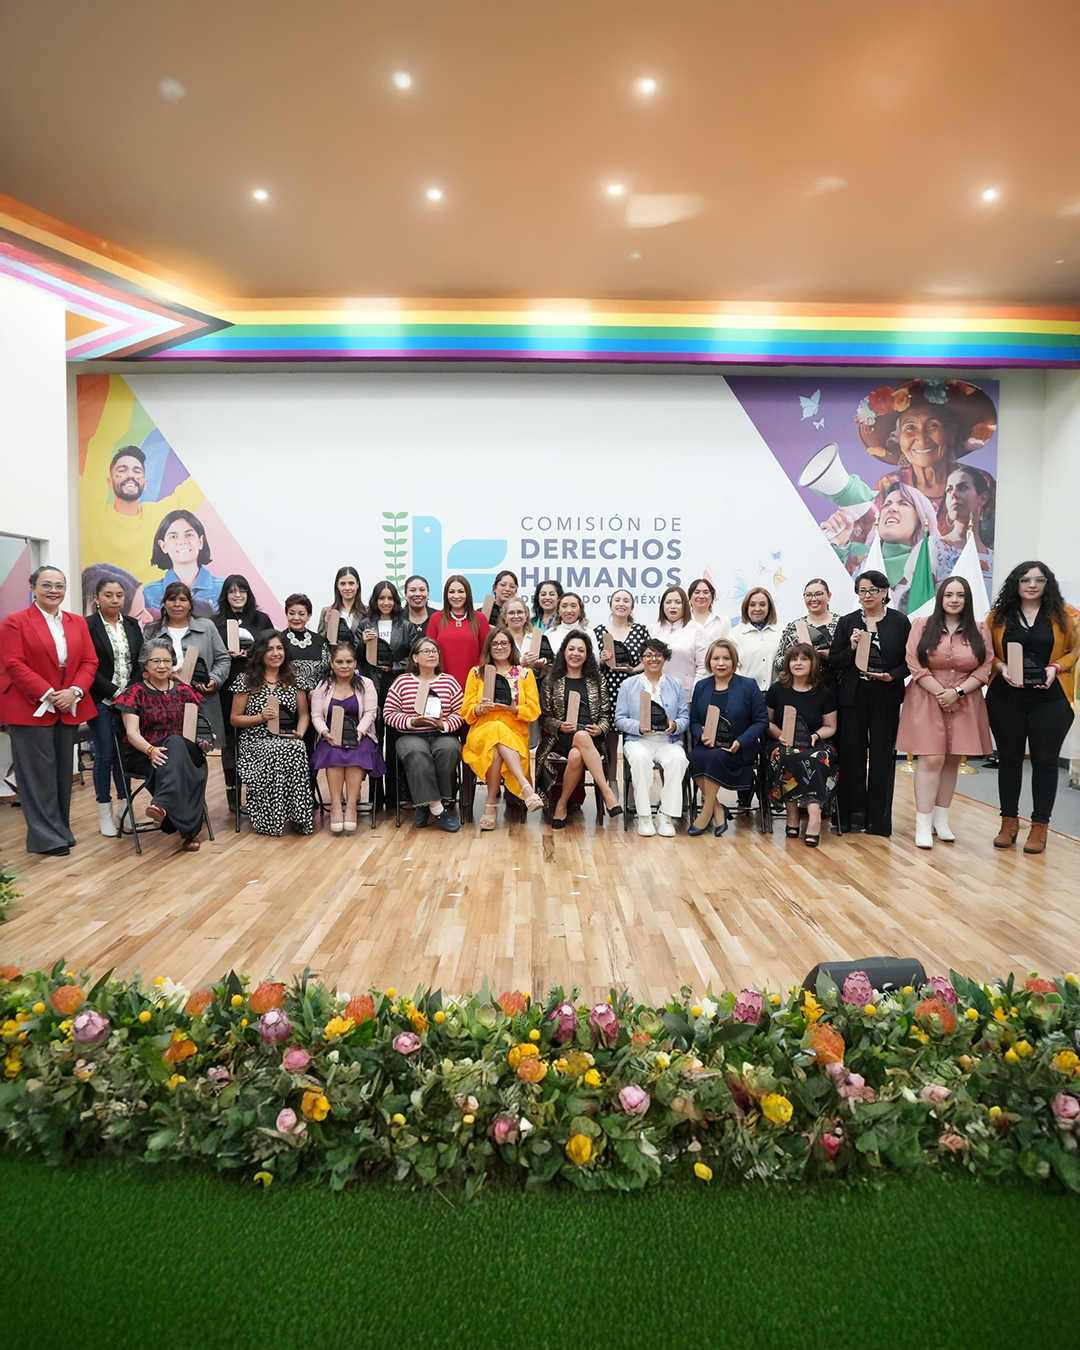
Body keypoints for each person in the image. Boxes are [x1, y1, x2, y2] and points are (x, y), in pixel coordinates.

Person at [0, 566, 98, 856]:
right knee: (37, 775)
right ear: (32, 587)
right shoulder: (15, 622)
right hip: (29, 705)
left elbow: (89, 661)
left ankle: (60, 831)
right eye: (46, 585)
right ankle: (46, 838)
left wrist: (74, 691)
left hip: (68, 704)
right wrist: (48, 693)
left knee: (61, 773)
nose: (53, 591)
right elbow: (13, 663)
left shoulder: (76, 622)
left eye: (59, 585)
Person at [985, 561, 1080, 854]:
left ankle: (1040, 826)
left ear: (1047, 584)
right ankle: (1008, 822)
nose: (1032, 585)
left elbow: (1075, 651)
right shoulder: (997, 617)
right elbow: (986, 652)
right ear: (1016, 583)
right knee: (1009, 759)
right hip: (1005, 698)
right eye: (1025, 579)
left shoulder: (1067, 615)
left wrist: (1055, 667)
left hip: (1051, 699)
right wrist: (1001, 667)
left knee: (1045, 761)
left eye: (1039, 580)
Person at [897, 577, 993, 848]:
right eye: (949, 594)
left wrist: (957, 693)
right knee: (931, 759)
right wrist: (943, 694)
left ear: (967, 599)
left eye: (960, 595)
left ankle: (941, 820)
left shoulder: (980, 629)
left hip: (965, 699)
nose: (954, 600)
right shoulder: (921, 625)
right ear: (940, 598)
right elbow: (914, 664)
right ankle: (923, 823)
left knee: (952, 760)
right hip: (927, 697)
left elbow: (985, 667)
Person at [828, 570, 911, 835]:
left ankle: (878, 820)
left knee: (882, 756)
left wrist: (892, 676)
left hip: (885, 695)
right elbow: (835, 660)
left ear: (885, 592)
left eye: (873, 590)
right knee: (851, 756)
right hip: (853, 696)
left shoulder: (899, 621)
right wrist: (851, 648)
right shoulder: (848, 622)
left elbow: (910, 661)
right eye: (863, 590)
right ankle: (851, 817)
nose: (868, 595)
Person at [114, 640, 213, 852]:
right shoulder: (134, 693)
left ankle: (162, 804)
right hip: (146, 754)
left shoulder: (185, 691)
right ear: (145, 664)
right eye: (156, 661)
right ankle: (189, 833)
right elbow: (132, 733)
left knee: (176, 743)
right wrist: (150, 750)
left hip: (185, 751)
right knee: (182, 764)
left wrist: (204, 739)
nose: (162, 665)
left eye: (167, 661)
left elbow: (197, 727)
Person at [80, 442, 205, 598]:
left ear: (144, 483)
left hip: (152, 609)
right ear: (110, 482)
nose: (130, 475)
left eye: (137, 471)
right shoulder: (92, 512)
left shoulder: (158, 515)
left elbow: (196, 485)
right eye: (122, 470)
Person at [230, 631, 314, 837]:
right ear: (260, 653)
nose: (276, 653)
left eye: (279, 648)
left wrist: (300, 733)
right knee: (275, 750)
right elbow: (235, 719)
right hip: (255, 740)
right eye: (270, 649)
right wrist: (260, 717)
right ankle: (270, 819)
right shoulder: (246, 680)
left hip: (286, 737)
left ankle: (299, 817)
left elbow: (304, 715)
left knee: (297, 747)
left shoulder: (294, 679)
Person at [535, 631, 621, 825]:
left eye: (581, 650)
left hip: (591, 737)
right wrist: (559, 725)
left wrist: (600, 729)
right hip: (560, 738)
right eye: (571, 649)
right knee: (580, 737)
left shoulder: (597, 680)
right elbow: (544, 717)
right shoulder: (551, 680)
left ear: (587, 654)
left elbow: (606, 715)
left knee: (576, 754)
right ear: (564, 652)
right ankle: (607, 792)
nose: (576, 653)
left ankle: (561, 804)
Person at [461, 628, 542, 828]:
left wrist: (513, 709)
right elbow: (466, 711)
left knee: (497, 745)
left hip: (515, 732)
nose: (499, 647)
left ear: (511, 646)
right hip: (482, 730)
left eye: (504, 643)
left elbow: (534, 710)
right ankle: (526, 787)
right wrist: (479, 709)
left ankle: (490, 805)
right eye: (495, 643)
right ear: (488, 647)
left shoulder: (525, 674)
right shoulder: (477, 673)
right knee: (495, 729)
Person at [688, 638, 769, 838]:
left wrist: (740, 742)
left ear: (734, 660)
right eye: (716, 658)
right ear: (709, 661)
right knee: (694, 757)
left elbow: (761, 722)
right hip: (709, 744)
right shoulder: (702, 686)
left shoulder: (748, 685)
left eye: (726, 658)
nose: (721, 663)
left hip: (739, 747)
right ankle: (717, 809)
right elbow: (694, 721)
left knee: (714, 758)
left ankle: (706, 812)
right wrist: (702, 735)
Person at [383, 636, 464, 832]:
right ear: (415, 658)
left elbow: (461, 713)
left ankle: (424, 804)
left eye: (434, 651)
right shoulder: (402, 682)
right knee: (416, 752)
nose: (431, 655)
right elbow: (388, 713)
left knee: (449, 749)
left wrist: (443, 724)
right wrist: (411, 721)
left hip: (442, 734)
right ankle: (438, 809)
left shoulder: (449, 681)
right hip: (411, 735)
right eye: (426, 651)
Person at [614, 637, 690, 838]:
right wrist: (638, 727)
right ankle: (644, 816)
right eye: (648, 655)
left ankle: (665, 815)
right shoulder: (629, 684)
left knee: (679, 759)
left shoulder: (676, 685)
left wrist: (675, 725)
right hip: (638, 740)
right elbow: (619, 719)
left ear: (665, 658)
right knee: (640, 759)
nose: (653, 659)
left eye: (658, 655)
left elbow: (685, 717)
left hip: (668, 741)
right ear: (641, 659)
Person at [86, 573, 143, 835]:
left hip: (128, 702)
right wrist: (115, 692)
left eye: (119, 595)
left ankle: (125, 808)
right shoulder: (88, 626)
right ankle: (104, 812)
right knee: (105, 755)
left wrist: (128, 693)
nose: (115, 600)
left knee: (124, 755)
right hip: (101, 700)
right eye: (108, 595)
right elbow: (88, 666)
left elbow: (139, 662)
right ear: (97, 598)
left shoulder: (131, 624)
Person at [765, 644, 838, 847]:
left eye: (804, 659)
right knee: (788, 756)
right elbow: (767, 722)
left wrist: (815, 736)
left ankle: (814, 815)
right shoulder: (777, 690)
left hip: (816, 742)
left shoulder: (824, 693)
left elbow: (830, 726)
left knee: (814, 758)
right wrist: (780, 735)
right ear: (787, 663)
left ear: (813, 663)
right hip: (782, 741)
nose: (798, 663)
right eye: (794, 659)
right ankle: (792, 813)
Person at [213, 575, 275, 811]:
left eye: (242, 591)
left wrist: (254, 654)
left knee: (257, 737)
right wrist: (224, 654)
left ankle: (256, 794)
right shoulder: (215, 622)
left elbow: (273, 649)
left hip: (257, 687)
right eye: (232, 591)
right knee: (230, 742)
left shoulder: (261, 619)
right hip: (227, 687)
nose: (237, 595)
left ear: (249, 594)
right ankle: (233, 795)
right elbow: (210, 654)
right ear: (225, 595)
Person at [310, 644, 386, 834]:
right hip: (330, 736)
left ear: (355, 663)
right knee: (334, 754)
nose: (344, 666)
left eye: (349, 661)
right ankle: (336, 807)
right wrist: (325, 733)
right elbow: (316, 716)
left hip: (361, 736)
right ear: (331, 663)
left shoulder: (366, 684)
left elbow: (370, 713)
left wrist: (358, 733)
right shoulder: (323, 686)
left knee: (357, 753)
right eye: (339, 662)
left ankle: (351, 806)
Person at [143, 582, 230, 712]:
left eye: (183, 600)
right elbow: (144, 664)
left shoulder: (207, 627)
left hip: (203, 700)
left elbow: (223, 659)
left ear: (190, 605)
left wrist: (214, 679)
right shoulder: (152, 631)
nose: (177, 604)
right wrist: (169, 675)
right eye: (171, 599)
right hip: (162, 702)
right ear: (164, 604)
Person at [594, 588, 649, 785]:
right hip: (607, 690)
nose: (621, 604)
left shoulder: (641, 630)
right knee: (609, 741)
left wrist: (634, 670)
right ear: (610, 605)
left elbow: (648, 660)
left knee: (633, 739)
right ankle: (612, 784)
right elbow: (591, 664)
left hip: (634, 689)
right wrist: (601, 660)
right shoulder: (599, 631)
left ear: (632, 607)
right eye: (617, 600)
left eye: (626, 601)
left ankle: (631, 786)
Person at [140, 509, 224, 617]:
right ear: (163, 546)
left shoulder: (224, 588)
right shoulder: (150, 593)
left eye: (189, 535)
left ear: (200, 541)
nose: (182, 541)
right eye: (173, 537)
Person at [935, 466, 995, 594]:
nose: (953, 495)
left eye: (962, 488)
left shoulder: (994, 559)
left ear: (983, 498)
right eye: (949, 490)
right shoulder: (935, 548)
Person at [427, 575, 490, 691]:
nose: (456, 596)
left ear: (467, 594)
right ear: (446, 595)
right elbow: (428, 653)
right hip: (442, 685)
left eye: (461, 591)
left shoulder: (480, 619)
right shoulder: (435, 618)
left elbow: (486, 654)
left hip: (474, 684)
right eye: (452, 592)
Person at [773, 579, 839, 685]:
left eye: (819, 594)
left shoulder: (842, 624)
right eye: (808, 595)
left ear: (829, 596)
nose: (813, 599)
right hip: (801, 687)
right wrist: (795, 655)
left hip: (836, 686)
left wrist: (830, 655)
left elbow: (851, 660)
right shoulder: (793, 627)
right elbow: (778, 663)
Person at [650, 586, 709, 700]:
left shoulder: (697, 630)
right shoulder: (653, 629)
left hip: (686, 695)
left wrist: (695, 694)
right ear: (662, 606)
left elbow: (703, 666)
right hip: (656, 694)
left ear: (685, 605)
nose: (673, 606)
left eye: (678, 602)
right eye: (668, 602)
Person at [360, 580, 412, 706]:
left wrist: (394, 667)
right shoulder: (365, 624)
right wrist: (363, 643)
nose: (386, 603)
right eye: (381, 598)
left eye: (390, 598)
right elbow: (356, 657)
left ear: (395, 601)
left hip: (397, 681)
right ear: (375, 600)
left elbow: (414, 656)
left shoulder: (406, 626)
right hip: (371, 680)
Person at [730, 588, 783, 692]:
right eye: (752, 605)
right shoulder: (735, 634)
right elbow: (733, 666)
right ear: (746, 607)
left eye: (762, 605)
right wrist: (747, 688)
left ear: (769, 608)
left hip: (776, 693)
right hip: (745, 693)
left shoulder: (782, 631)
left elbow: (786, 664)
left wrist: (775, 689)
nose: (757, 609)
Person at [281, 593, 329, 692]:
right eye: (292, 613)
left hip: (317, 697)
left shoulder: (320, 641)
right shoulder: (278, 641)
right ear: (286, 613)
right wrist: (306, 692)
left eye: (301, 614)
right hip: (287, 696)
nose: (296, 618)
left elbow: (327, 673)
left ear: (309, 615)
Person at [317, 567, 365, 650]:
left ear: (358, 584)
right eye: (343, 584)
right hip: (334, 657)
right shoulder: (327, 611)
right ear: (337, 585)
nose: (347, 588)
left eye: (351, 583)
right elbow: (319, 642)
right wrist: (328, 627)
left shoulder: (367, 612)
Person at [687, 577, 732, 643]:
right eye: (697, 592)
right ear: (690, 597)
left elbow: (728, 646)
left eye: (706, 592)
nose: (701, 596)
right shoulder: (682, 621)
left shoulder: (723, 621)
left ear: (712, 597)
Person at [547, 592, 591, 658]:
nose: (569, 611)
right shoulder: (549, 633)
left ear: (580, 610)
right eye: (564, 606)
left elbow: (595, 660)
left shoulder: (589, 633)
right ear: (558, 611)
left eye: (573, 606)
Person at [402, 575, 436, 647]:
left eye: (422, 590)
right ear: (405, 594)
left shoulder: (439, 617)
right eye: (412, 590)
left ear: (428, 594)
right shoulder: (397, 619)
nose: (417, 594)